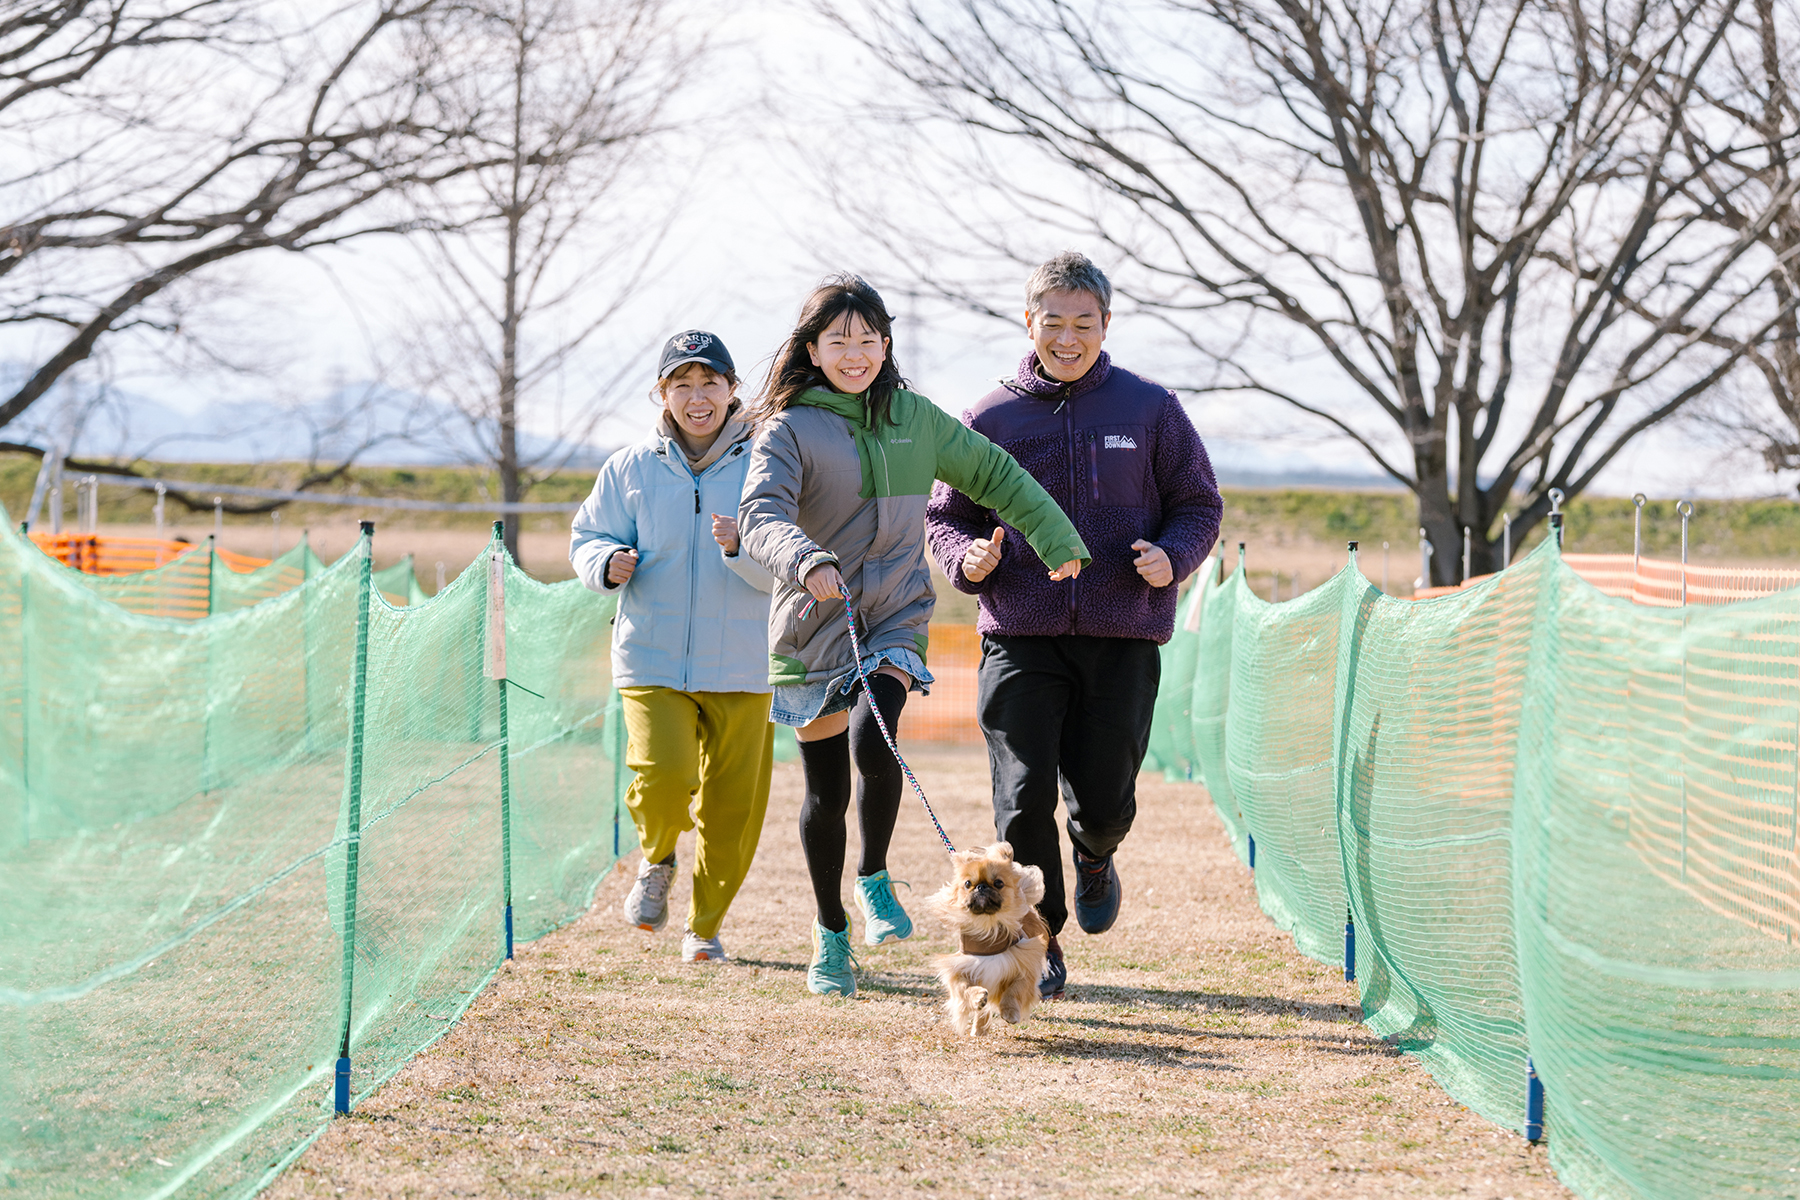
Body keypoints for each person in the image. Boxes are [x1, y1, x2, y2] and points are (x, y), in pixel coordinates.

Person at [738, 274, 1091, 997]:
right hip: (812, 618)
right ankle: (830, 931)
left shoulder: (915, 418)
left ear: (885, 344)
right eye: (839, 341)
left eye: (868, 339)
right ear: (813, 348)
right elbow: (759, 515)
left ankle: (873, 876)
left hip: (893, 611)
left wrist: (1055, 533)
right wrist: (805, 560)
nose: (855, 353)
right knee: (825, 790)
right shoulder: (787, 429)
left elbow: (996, 473)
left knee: (878, 735)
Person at [925, 251, 1223, 999]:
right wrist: (970, 561)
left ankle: (1096, 853)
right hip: (1019, 633)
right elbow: (943, 517)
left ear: (1105, 325)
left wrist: (1173, 555)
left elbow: (1199, 503)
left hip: (1123, 632)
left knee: (1102, 796)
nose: (1066, 337)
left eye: (1082, 324)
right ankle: (1043, 939)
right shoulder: (988, 417)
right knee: (1021, 796)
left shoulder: (1150, 408)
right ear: (1029, 323)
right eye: (1051, 322)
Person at [570, 329, 775, 964]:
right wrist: (606, 562)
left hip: (745, 662)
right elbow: (587, 535)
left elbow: (792, 562)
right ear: (662, 393)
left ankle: (704, 927)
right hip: (651, 655)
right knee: (661, 778)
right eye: (681, 384)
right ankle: (656, 857)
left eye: (710, 382)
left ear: (732, 390)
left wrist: (742, 545)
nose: (697, 397)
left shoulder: (767, 462)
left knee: (732, 809)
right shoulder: (629, 467)